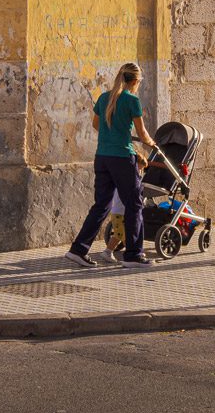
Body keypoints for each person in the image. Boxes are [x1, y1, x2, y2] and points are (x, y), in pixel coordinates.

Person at [67, 62, 156, 268]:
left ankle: (78, 249)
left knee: (101, 205)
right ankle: (134, 255)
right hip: (122, 158)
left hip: (102, 157)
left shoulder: (105, 97)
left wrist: (113, 132)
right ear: (134, 81)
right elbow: (143, 135)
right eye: (139, 82)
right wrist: (150, 143)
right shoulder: (132, 100)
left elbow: (96, 124)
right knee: (134, 204)